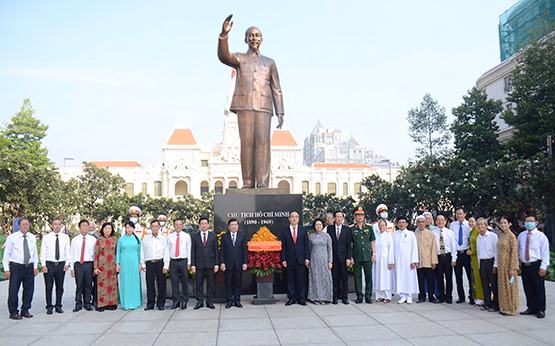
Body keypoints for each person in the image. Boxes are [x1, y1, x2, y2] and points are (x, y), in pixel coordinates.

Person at [218, 14, 284, 188]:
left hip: (264, 106)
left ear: (261, 39)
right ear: (246, 39)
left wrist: (280, 112)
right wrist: (224, 35)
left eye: (257, 35)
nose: (254, 38)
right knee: (246, 144)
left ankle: (262, 183)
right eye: (251, 35)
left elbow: (277, 88)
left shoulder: (270, 63)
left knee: (263, 144)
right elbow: (224, 56)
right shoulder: (239, 58)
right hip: (244, 105)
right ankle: (247, 183)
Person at [3, 218, 39, 320]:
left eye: (27, 224)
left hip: (29, 267)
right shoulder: (12, 238)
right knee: (14, 290)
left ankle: (25, 310)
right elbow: (7, 254)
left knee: (29, 290)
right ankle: (13, 312)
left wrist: (36, 266)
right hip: (16, 267)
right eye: (23, 224)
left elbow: (34, 253)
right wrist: (6, 269)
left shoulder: (32, 237)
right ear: (19, 226)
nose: (25, 226)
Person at [518, 214, 550, 319]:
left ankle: (540, 309)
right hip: (525, 265)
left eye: (531, 221)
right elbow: (519, 250)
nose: (529, 223)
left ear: (536, 223)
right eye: (527, 221)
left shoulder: (541, 237)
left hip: (536, 265)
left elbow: (545, 253)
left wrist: (543, 267)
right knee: (527, 287)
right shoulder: (521, 235)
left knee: (538, 288)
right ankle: (530, 307)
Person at [40, 219, 71, 314]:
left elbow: (67, 251)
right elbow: (43, 251)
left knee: (60, 286)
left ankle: (58, 305)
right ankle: (49, 306)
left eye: (59, 224)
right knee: (49, 286)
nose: (57, 226)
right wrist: (43, 265)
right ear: (51, 226)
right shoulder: (46, 237)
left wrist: (67, 264)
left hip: (61, 264)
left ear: (61, 226)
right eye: (55, 224)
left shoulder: (65, 237)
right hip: (49, 264)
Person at [281, 210, 310, 305]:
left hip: (301, 259)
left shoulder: (303, 230)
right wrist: (284, 259)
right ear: (289, 219)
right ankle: (291, 298)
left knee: (301, 280)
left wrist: (307, 258)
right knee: (290, 280)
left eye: (296, 217)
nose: (294, 218)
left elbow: (306, 245)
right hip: (289, 259)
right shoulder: (285, 231)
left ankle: (301, 298)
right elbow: (283, 246)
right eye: (292, 217)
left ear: (298, 219)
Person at [191, 217, 219, 310]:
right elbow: (193, 251)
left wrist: (216, 264)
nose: (204, 225)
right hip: (199, 265)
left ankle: (210, 302)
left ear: (208, 225)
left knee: (211, 284)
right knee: (199, 284)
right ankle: (199, 302)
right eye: (202, 223)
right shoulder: (194, 236)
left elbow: (216, 251)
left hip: (210, 264)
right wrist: (193, 265)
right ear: (199, 225)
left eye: (205, 223)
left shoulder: (213, 236)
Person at [141, 220, 169, 311]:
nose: (154, 228)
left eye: (156, 226)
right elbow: (142, 251)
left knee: (161, 284)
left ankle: (161, 304)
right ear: (150, 227)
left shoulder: (163, 238)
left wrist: (166, 265)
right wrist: (143, 264)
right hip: (149, 263)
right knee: (150, 284)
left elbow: (166, 252)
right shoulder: (146, 238)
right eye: (153, 226)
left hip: (160, 263)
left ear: (159, 227)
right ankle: (150, 304)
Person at [220, 218, 248, 308]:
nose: (234, 226)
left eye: (235, 224)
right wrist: (222, 262)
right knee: (228, 283)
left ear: (238, 226)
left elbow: (245, 250)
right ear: (229, 226)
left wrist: (245, 262)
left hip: (239, 263)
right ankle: (229, 301)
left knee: (238, 283)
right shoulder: (224, 236)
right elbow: (222, 251)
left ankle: (237, 300)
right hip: (228, 264)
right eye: (232, 225)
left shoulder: (242, 236)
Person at [70, 220, 97, 312]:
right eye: (83, 225)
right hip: (78, 265)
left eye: (86, 225)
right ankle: (78, 303)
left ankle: (87, 303)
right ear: (79, 227)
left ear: (89, 227)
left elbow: (95, 254)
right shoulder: (75, 240)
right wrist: (72, 268)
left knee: (88, 285)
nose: (85, 227)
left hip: (89, 264)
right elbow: (72, 254)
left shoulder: (93, 240)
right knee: (79, 285)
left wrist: (94, 267)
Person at [351, 207, 376, 304]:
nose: (360, 217)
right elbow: (350, 244)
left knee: (369, 276)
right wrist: (351, 256)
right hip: (356, 256)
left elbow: (372, 241)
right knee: (357, 277)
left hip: (367, 255)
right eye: (358, 215)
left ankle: (368, 296)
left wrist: (374, 253)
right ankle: (359, 296)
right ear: (355, 217)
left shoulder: (369, 228)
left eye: (361, 215)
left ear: (364, 216)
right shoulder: (352, 228)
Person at [496, 216, 519, 316]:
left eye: (505, 222)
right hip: (501, 265)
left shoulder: (511, 236)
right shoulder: (501, 235)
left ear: (509, 224)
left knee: (510, 287)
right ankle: (504, 307)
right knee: (502, 287)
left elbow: (514, 253)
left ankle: (511, 308)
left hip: (509, 265)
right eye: (501, 223)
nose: (503, 225)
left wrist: (513, 268)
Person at [116, 221, 142, 310]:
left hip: (134, 263)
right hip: (124, 264)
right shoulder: (121, 239)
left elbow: (139, 253)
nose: (129, 229)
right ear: (125, 229)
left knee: (134, 282)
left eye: (131, 227)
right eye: (127, 227)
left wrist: (140, 263)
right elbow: (118, 252)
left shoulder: (137, 239)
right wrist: (117, 264)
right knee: (125, 282)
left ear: (133, 229)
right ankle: (125, 303)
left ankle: (135, 302)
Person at [392, 217, 419, 304]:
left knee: (409, 278)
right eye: (399, 222)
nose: (401, 224)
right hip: (398, 261)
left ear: (407, 224)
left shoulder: (411, 234)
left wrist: (414, 260)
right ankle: (402, 296)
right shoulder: (394, 234)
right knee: (400, 278)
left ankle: (409, 296)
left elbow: (414, 248)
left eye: (403, 222)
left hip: (409, 261)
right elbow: (392, 249)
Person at [451, 207, 474, 304]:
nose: (459, 215)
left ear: (465, 214)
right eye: (457, 214)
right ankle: (461, 297)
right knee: (458, 277)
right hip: (457, 254)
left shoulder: (469, 225)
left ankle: (472, 296)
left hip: (466, 253)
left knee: (470, 276)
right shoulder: (452, 225)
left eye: (460, 213)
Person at [167, 218, 192, 310]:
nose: (178, 226)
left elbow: (189, 249)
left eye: (180, 224)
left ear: (182, 226)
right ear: (173, 225)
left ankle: (185, 300)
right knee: (174, 282)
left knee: (185, 281)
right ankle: (176, 301)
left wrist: (189, 262)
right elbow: (167, 250)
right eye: (176, 224)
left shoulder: (186, 236)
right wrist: (167, 264)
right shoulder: (169, 237)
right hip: (173, 261)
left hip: (183, 261)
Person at [328, 211, 352, 305]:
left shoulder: (347, 229)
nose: (339, 218)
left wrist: (348, 258)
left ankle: (344, 297)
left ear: (343, 218)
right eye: (337, 217)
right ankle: (335, 297)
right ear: (334, 218)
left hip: (343, 258)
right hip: (333, 258)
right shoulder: (329, 228)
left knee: (344, 278)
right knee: (334, 278)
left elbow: (349, 245)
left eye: (340, 217)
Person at [94, 222, 118, 311]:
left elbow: (117, 253)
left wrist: (117, 264)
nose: (107, 230)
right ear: (102, 229)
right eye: (106, 228)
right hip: (102, 266)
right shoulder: (99, 240)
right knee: (102, 285)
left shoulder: (115, 240)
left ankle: (111, 304)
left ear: (111, 230)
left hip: (112, 265)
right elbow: (96, 254)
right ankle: (101, 305)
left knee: (112, 285)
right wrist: (95, 267)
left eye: (109, 228)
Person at [476, 218, 499, 312]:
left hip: (491, 262)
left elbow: (497, 252)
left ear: (486, 225)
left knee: (494, 284)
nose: (481, 226)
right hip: (482, 262)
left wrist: (495, 265)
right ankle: (487, 302)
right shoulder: (478, 237)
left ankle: (496, 304)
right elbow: (478, 252)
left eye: (482, 224)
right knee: (485, 284)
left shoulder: (493, 236)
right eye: (479, 224)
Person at [433, 215, 457, 304]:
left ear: (445, 221)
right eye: (438, 220)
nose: (440, 222)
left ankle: (449, 297)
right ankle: (441, 296)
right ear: (436, 222)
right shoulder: (433, 233)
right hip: (438, 257)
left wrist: (454, 259)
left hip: (447, 256)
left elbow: (453, 246)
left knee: (449, 278)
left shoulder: (450, 232)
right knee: (439, 278)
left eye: (442, 220)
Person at [308, 218, 333, 304]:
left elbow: (330, 249)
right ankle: (315, 298)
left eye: (320, 224)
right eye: (317, 225)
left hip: (325, 260)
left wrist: (330, 261)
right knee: (315, 279)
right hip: (314, 260)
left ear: (323, 226)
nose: (318, 226)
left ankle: (325, 298)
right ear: (314, 226)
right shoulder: (311, 236)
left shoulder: (327, 236)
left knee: (326, 278)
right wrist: (308, 260)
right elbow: (309, 249)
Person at [415, 215, 438, 304]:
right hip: (419, 261)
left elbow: (434, 248)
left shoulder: (431, 234)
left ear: (426, 223)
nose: (421, 224)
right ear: (417, 223)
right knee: (420, 280)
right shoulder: (414, 234)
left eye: (423, 222)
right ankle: (422, 296)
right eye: (419, 222)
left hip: (429, 261)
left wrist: (434, 261)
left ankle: (431, 297)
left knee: (430, 280)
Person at [373, 220, 394, 303]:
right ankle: (379, 296)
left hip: (386, 261)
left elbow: (391, 249)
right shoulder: (376, 236)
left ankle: (387, 296)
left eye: (383, 225)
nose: (381, 227)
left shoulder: (389, 236)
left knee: (386, 279)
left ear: (386, 226)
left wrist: (391, 261)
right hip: (378, 261)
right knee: (378, 278)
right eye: (380, 225)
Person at [467, 217, 484, 306]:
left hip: (477, 256)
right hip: (472, 258)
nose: (471, 223)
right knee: (475, 278)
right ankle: (476, 296)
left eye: (472, 221)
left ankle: (481, 297)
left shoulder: (478, 232)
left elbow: (480, 246)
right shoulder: (472, 231)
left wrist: (472, 251)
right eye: (469, 221)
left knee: (479, 277)